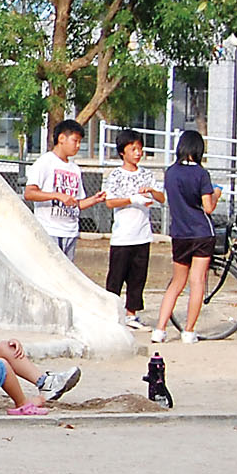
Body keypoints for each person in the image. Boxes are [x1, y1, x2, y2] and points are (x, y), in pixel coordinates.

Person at [151, 130, 221, 343]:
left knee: (176, 282)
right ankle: (189, 331)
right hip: (201, 232)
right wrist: (217, 193)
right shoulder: (201, 174)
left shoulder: (170, 172)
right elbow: (208, 208)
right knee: (197, 281)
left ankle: (160, 329)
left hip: (179, 233)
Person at [101, 130, 166, 329]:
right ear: (123, 152)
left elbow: (161, 198)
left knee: (138, 277)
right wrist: (131, 199)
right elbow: (110, 202)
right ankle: (110, 313)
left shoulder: (146, 174)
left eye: (140, 149)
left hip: (142, 234)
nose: (138, 153)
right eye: (133, 149)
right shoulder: (117, 175)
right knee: (116, 276)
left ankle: (132, 314)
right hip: (122, 236)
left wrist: (151, 192)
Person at [24, 119, 102, 259]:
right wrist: (57, 195)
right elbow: (29, 193)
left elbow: (77, 204)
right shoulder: (45, 162)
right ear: (61, 138)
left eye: (80, 142)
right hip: (49, 231)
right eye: (75, 141)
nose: (78, 146)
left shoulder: (75, 169)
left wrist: (95, 199)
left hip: (70, 232)